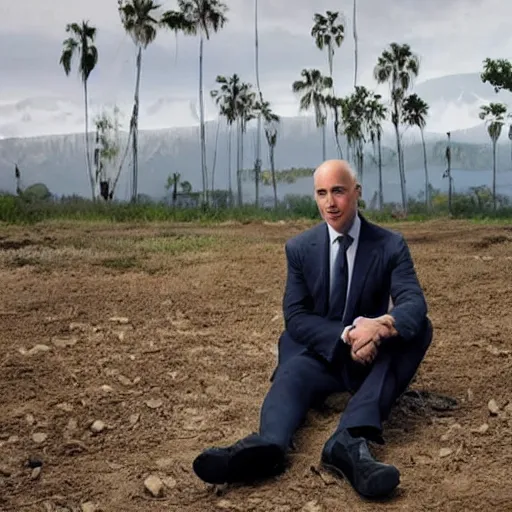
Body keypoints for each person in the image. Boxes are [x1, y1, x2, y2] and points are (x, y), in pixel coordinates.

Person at [192, 159, 432, 499]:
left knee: (418, 329)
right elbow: (296, 314)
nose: (330, 203)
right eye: (322, 193)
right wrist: (347, 334)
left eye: (338, 191)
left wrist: (379, 327)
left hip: (370, 361)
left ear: (356, 193)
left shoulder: (390, 245)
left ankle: (348, 443)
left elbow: (413, 302)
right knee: (292, 353)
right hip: (322, 353)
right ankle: (268, 445)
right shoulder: (300, 248)